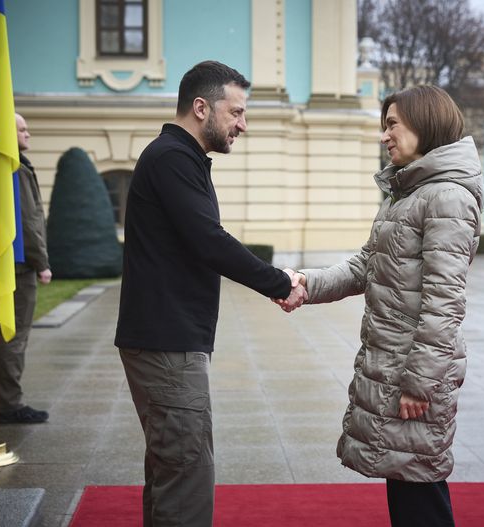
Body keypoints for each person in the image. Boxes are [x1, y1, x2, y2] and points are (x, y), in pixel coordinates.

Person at [280, 85, 484, 527]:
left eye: (392, 124)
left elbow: (444, 303)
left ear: (424, 125)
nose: (384, 135)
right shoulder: (411, 192)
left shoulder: (446, 197)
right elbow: (365, 265)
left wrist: (419, 383)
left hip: (413, 374)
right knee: (406, 477)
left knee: (420, 487)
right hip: (394, 365)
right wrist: (304, 284)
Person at [114, 60, 306, 527]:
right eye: (236, 112)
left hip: (166, 339)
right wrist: (281, 283)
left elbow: (199, 242)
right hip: (167, 343)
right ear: (201, 107)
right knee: (187, 476)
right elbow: (209, 241)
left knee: (171, 469)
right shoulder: (173, 158)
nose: (243, 124)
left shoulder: (177, 157)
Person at [0, 113, 52, 425]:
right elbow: (29, 221)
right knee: (13, 337)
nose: (28, 133)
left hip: (3, 264)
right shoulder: (17, 167)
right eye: (22, 129)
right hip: (19, 267)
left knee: (0, 337)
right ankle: (9, 405)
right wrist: (41, 263)